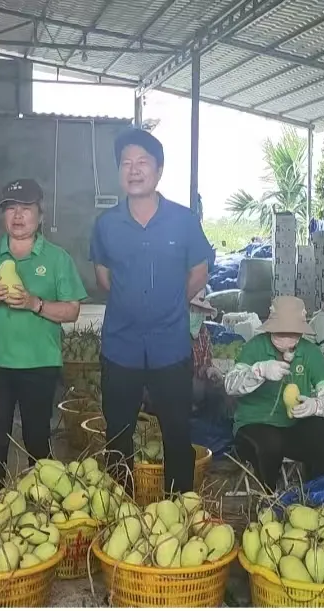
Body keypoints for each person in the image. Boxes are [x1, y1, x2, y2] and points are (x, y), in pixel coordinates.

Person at [89, 129, 212, 495]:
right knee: (119, 433)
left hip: (170, 344)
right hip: (120, 344)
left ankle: (178, 509)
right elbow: (103, 276)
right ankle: (120, 510)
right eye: (126, 163)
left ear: (158, 170)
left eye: (142, 162)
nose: (134, 169)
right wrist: (134, 305)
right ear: (119, 172)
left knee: (176, 431)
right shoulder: (106, 224)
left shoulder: (183, 220)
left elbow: (199, 270)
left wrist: (171, 301)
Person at [0, 178, 87, 498]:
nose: (18, 216)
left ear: (40, 215)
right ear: (3, 216)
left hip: (39, 362)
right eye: (10, 209)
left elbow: (71, 311)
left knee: (37, 438)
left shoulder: (58, 259)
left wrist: (35, 303)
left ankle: (40, 504)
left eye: (26, 209)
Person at [224, 296, 324, 492]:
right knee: (270, 444)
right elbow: (230, 384)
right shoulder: (255, 348)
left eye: (293, 333)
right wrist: (258, 372)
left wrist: (316, 405)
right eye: (281, 331)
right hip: (253, 426)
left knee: (322, 432)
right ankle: (268, 500)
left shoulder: (311, 353)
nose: (286, 337)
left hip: (293, 427)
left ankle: (313, 494)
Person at [190, 290, 217, 407]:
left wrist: (208, 369)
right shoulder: (172, 332)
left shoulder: (203, 331)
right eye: (192, 310)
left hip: (197, 385)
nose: (196, 314)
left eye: (199, 311)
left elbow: (207, 359)